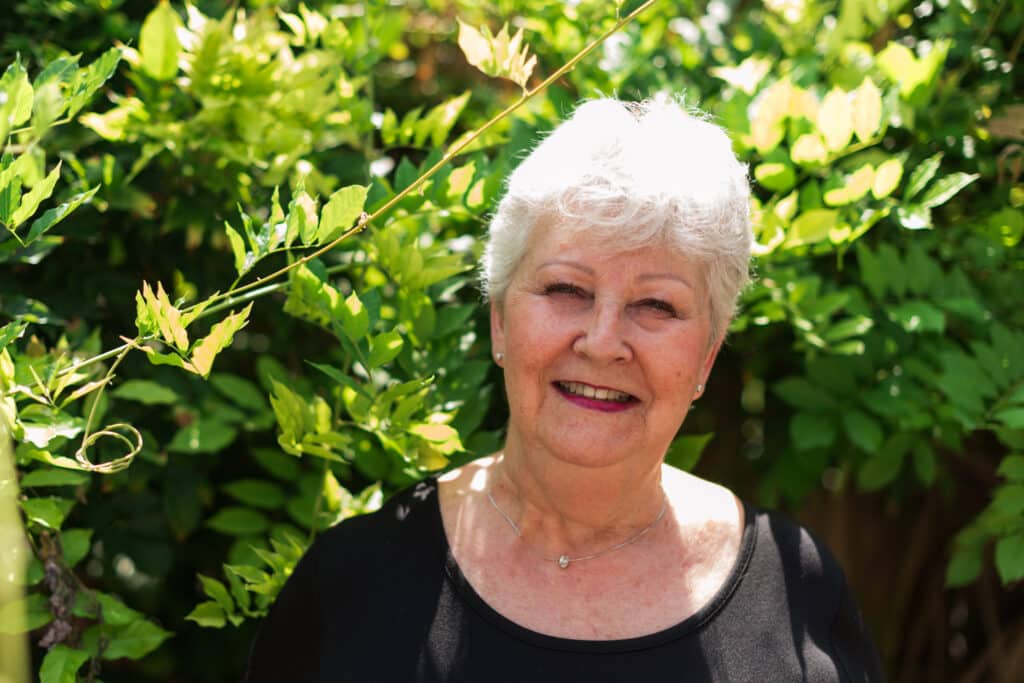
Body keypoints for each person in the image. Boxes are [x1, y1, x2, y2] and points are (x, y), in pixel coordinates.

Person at [244, 97, 884, 682]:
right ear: (499, 320)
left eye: (656, 305)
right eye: (566, 290)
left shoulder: (797, 593)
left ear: (707, 358)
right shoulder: (354, 582)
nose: (603, 342)